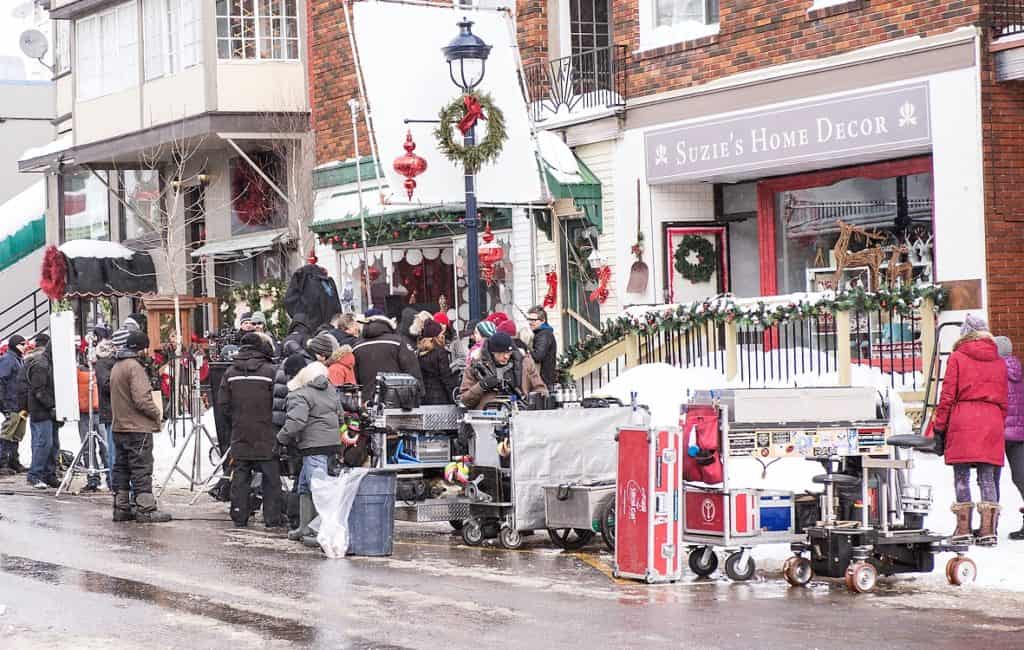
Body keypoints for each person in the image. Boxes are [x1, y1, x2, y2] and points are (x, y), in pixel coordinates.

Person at [933, 315, 1007, 546]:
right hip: (992, 420)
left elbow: (947, 396)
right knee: (987, 477)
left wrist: (939, 428)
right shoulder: (999, 361)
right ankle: (988, 531)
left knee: (962, 475)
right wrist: (996, 421)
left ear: (965, 333)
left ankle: (963, 528)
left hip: (963, 420)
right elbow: (1005, 401)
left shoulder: (957, 357)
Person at [217, 332, 282, 529]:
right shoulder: (271, 371)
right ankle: (272, 517)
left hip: (240, 432)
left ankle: (239, 515)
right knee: (271, 477)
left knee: (241, 475)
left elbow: (223, 405)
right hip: (266, 433)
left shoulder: (230, 373)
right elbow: (279, 404)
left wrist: (235, 421)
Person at [276, 359, 342, 545]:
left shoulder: (300, 394)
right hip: (330, 444)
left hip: (313, 447)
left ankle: (322, 532)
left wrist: (281, 438)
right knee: (305, 486)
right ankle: (305, 527)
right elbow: (340, 414)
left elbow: (296, 422)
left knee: (318, 489)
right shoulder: (329, 389)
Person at [109, 331, 172, 523]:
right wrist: (157, 412)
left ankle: (121, 507)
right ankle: (145, 508)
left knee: (122, 468)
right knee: (141, 468)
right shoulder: (134, 368)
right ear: (141, 348)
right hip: (137, 428)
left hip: (119, 425)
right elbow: (142, 399)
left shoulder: (117, 366)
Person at [459, 332, 548, 409]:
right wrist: (481, 386)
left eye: (509, 353)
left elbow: (540, 389)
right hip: (487, 419)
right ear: (492, 352)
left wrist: (532, 403)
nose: (506, 356)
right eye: (501, 353)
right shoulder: (475, 367)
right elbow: (465, 401)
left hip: (520, 415)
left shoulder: (525, 363)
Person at [352, 313, 423, 403]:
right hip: (396, 399)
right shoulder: (398, 342)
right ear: (388, 326)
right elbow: (412, 370)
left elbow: (355, 377)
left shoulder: (356, 346)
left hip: (368, 401)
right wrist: (420, 393)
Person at [995, 336, 1024, 541]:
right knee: (1021, 477)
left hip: (997, 431)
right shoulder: (1019, 372)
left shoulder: (994, 371)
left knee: (989, 479)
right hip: (1020, 433)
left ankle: (989, 526)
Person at [25, 339, 59, 489]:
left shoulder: (45, 363)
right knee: (45, 444)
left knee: (52, 444)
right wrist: (52, 405)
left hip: (46, 410)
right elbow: (39, 391)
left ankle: (47, 474)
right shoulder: (42, 365)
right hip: (42, 411)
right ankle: (36, 475)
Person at [76, 349, 105, 492]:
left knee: (105, 447)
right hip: (84, 412)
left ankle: (112, 478)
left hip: (100, 411)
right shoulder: (77, 370)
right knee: (88, 448)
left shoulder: (103, 368)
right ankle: (93, 478)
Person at [0, 335, 27, 475]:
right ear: (16, 345)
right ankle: (2, 462)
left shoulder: (17, 359)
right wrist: (4, 404)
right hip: (11, 403)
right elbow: (1, 381)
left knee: (17, 434)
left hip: (19, 403)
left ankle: (13, 461)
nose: (25, 346)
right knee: (7, 433)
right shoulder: (8, 360)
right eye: (22, 344)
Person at [94, 336, 118, 489]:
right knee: (113, 449)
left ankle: (114, 481)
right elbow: (106, 385)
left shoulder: (105, 365)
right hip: (111, 412)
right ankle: (114, 482)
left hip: (111, 412)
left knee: (112, 449)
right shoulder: (104, 365)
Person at [418, 319, 459, 405]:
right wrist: (452, 397)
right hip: (440, 397)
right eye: (441, 333)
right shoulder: (440, 352)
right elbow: (446, 377)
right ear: (435, 336)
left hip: (424, 398)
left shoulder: (419, 353)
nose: (443, 335)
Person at [527, 306, 558, 387]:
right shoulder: (541, 333)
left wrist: (526, 349)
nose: (530, 322)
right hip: (543, 380)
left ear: (543, 320)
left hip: (543, 381)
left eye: (534, 320)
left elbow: (538, 356)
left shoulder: (544, 335)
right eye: (529, 319)